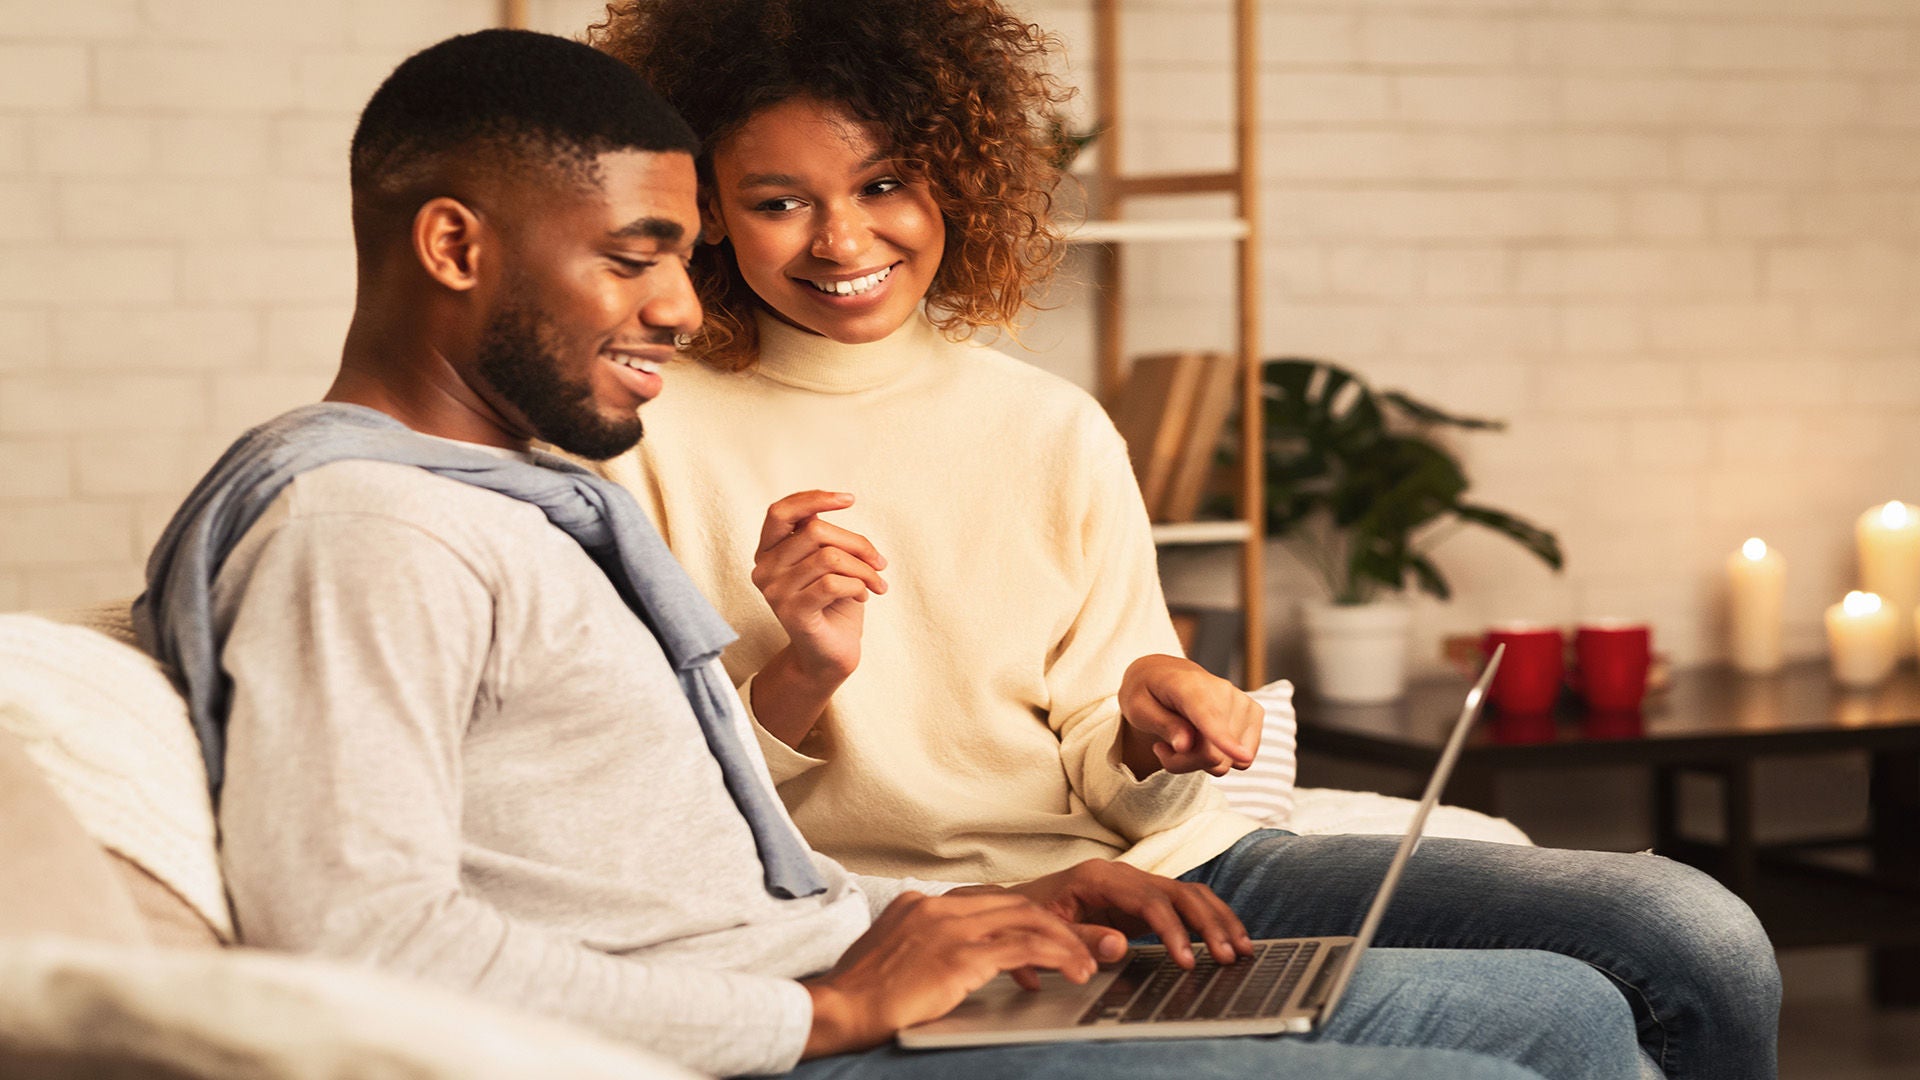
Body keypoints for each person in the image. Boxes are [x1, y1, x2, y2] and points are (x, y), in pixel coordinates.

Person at [131, 27, 1653, 1080]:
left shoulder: (505, 498)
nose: (677, 309)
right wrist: (829, 1007)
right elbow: (357, 938)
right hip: (805, 1027)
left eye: (676, 253)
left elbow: (648, 838)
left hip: (862, 960)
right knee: (1538, 1047)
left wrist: (985, 912)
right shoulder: (372, 529)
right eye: (640, 255)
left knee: (1584, 999)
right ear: (456, 248)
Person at [588, 3, 1783, 1078]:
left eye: (885, 184)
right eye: (780, 200)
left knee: (1692, 931)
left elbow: (1104, 761)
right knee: (1564, 1013)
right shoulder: (640, 434)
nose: (844, 242)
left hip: (1167, 865)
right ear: (702, 216)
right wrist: (800, 673)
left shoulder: (1046, 424)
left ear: (954, 181)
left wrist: (1155, 727)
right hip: (923, 916)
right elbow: (656, 814)